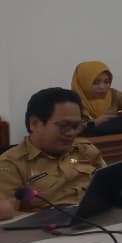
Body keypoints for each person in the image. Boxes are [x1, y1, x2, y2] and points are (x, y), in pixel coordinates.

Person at [0, 88, 106, 220]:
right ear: (35, 123)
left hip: (99, 220)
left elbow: (108, 189)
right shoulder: (10, 165)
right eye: (64, 126)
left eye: (76, 126)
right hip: (47, 228)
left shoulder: (86, 150)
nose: (71, 133)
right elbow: (8, 217)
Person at [72, 61, 122, 129]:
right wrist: (94, 123)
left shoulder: (114, 95)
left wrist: (118, 119)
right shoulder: (72, 100)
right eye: (96, 83)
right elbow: (69, 128)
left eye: (106, 82)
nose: (102, 87)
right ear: (84, 83)